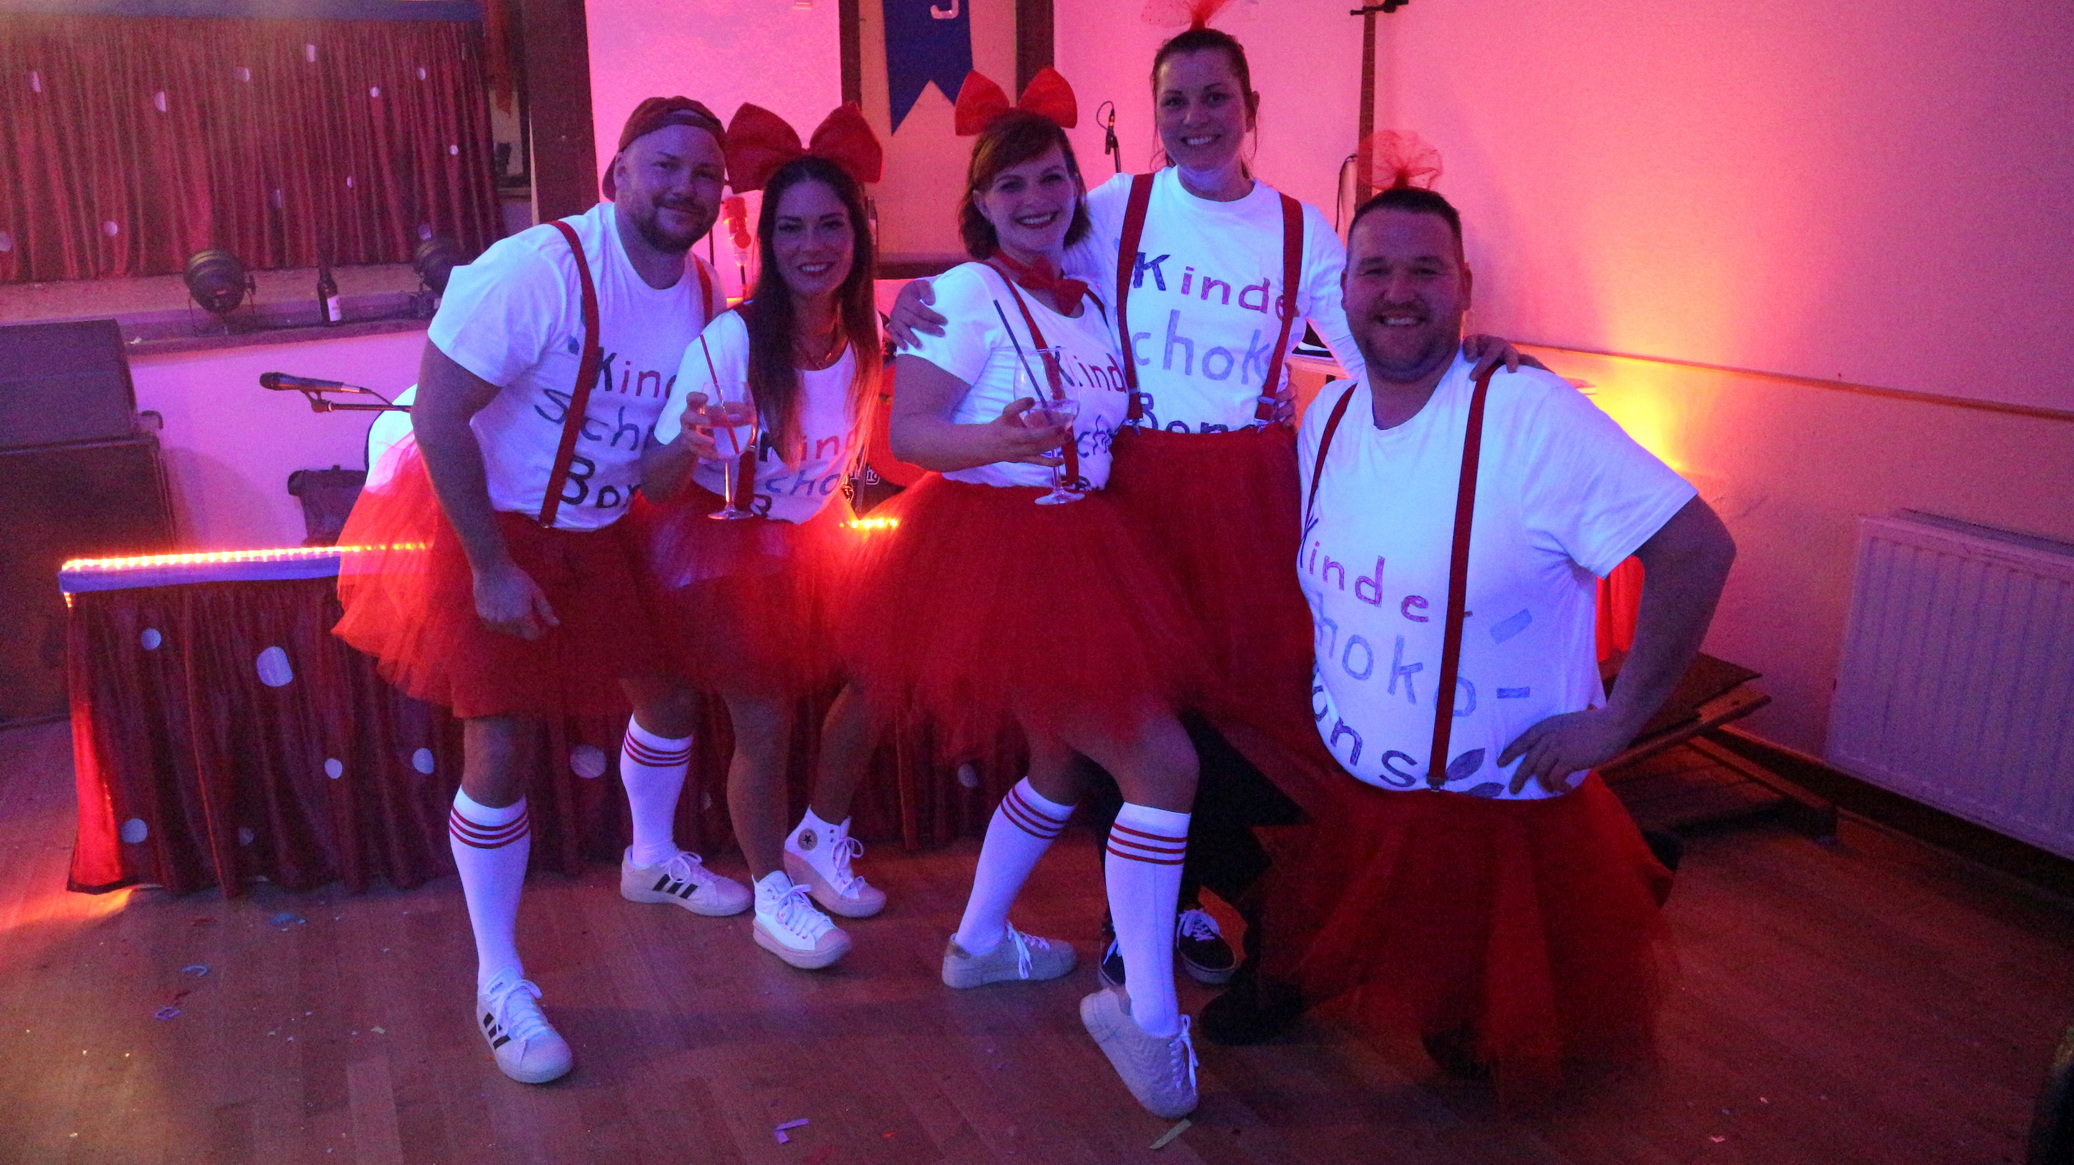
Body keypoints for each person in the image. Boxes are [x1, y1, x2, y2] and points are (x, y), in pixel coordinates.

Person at [888, 15, 1532, 991]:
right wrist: (919, 300)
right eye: (1176, 101)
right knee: (1135, 710)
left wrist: (1462, 353)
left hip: (1246, 498)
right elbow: (1019, 249)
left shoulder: (1298, 230)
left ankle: (1198, 895)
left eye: (1214, 97)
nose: (1195, 117)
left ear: (1249, 108)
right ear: (1155, 116)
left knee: (1234, 706)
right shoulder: (1113, 206)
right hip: (1131, 494)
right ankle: (1139, 918)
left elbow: (1373, 343)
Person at [1236, 182, 1736, 1101]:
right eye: (1375, 269)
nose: (1398, 291)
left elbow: (1697, 548)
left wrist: (1619, 719)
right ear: (1342, 290)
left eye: (1425, 270)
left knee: (1479, 1051)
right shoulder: (1329, 416)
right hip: (1358, 778)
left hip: (1490, 813)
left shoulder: (1527, 415)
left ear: (1464, 285)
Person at [333, 97, 741, 1085]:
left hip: (602, 530)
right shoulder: (536, 270)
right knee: (501, 740)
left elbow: (653, 474)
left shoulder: (700, 291)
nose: (685, 187)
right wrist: (489, 566)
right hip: (497, 522)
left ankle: (651, 857)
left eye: (704, 173)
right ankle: (500, 977)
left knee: (668, 695)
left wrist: (692, 447)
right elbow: (437, 414)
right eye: (665, 166)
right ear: (617, 173)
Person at [842, 69, 1204, 1119]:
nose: (1037, 198)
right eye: (1013, 185)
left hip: (1088, 547)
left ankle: (976, 942)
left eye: (1052, 178)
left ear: (1075, 187)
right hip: (1007, 558)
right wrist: (994, 439)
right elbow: (912, 434)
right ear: (981, 203)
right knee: (1162, 763)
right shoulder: (962, 295)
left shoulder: (1083, 298)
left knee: (1056, 763)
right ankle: (1148, 1021)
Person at [633, 103, 886, 970]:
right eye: (790, 228)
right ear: (766, 241)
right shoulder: (731, 341)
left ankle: (819, 836)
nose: (812, 245)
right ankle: (771, 891)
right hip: (723, 548)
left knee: (884, 670)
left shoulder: (865, 332)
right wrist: (690, 440)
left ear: (857, 233)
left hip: (815, 543)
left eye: (830, 224)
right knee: (766, 721)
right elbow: (654, 480)